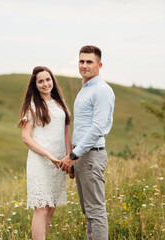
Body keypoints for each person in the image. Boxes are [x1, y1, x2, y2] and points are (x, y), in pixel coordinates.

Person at [59, 45, 115, 240]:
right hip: (82, 155)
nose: (84, 65)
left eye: (89, 62)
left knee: (96, 212)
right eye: (81, 61)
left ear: (99, 65)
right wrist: (75, 156)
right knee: (88, 211)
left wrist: (74, 155)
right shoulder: (86, 89)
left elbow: (97, 128)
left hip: (91, 154)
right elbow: (82, 128)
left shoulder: (101, 90)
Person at [17, 66, 72, 240]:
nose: (45, 84)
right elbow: (26, 137)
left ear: (53, 81)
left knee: (51, 207)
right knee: (41, 207)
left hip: (59, 162)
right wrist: (48, 155)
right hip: (41, 162)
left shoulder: (59, 103)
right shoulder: (32, 107)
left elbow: (66, 132)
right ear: (35, 85)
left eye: (48, 79)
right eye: (40, 81)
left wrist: (70, 158)